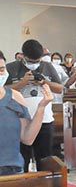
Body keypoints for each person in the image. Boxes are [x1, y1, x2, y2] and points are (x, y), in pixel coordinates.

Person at [4, 39, 65, 171]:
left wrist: (44, 83)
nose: (34, 64)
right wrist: (22, 83)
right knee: (22, 159)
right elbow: (3, 90)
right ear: (22, 56)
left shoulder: (47, 66)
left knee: (45, 159)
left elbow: (60, 88)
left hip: (44, 120)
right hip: (20, 121)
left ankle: (43, 182)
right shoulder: (11, 68)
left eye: (37, 61)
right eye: (31, 61)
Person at [0, 57, 53, 175]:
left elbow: (27, 138)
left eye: (2, 69)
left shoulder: (15, 97)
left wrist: (41, 107)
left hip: (13, 169)